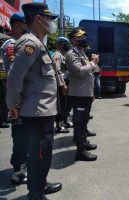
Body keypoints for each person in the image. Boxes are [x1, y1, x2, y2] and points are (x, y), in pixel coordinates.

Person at [6, 3, 62, 199]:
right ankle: (35, 194)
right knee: (39, 155)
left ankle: (40, 185)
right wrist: (13, 105)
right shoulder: (29, 43)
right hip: (36, 112)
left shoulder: (38, 42)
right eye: (49, 19)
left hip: (43, 111)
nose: (51, 23)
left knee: (44, 153)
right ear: (39, 19)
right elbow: (14, 78)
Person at [1, 12, 28, 185]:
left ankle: (22, 166)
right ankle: (18, 171)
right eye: (26, 25)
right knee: (20, 136)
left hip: (22, 97)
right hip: (19, 98)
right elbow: (15, 75)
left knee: (24, 135)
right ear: (17, 26)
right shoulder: (12, 45)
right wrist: (16, 104)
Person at [66, 27, 99, 161]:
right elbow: (80, 71)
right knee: (79, 122)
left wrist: (93, 63)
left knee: (84, 120)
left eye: (84, 36)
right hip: (79, 94)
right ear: (74, 40)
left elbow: (94, 71)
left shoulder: (82, 53)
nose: (83, 39)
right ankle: (80, 151)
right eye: (80, 37)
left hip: (86, 92)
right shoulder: (71, 54)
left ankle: (84, 142)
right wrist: (92, 63)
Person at [52, 36, 71, 133]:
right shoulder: (57, 55)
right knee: (61, 104)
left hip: (66, 81)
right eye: (65, 44)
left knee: (66, 103)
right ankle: (59, 125)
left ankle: (65, 121)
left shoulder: (64, 55)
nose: (67, 46)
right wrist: (62, 85)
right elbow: (57, 70)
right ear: (60, 44)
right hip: (61, 82)